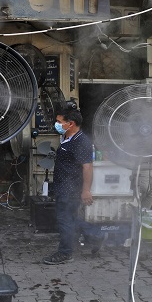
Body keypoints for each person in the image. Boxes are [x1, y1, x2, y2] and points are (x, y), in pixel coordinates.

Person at [43, 109, 96, 265]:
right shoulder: (66, 136)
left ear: (70, 123)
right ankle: (97, 235)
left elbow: (88, 167)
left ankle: (65, 253)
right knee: (70, 218)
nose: (57, 124)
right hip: (62, 185)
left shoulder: (82, 142)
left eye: (60, 122)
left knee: (64, 219)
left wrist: (86, 190)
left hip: (71, 188)